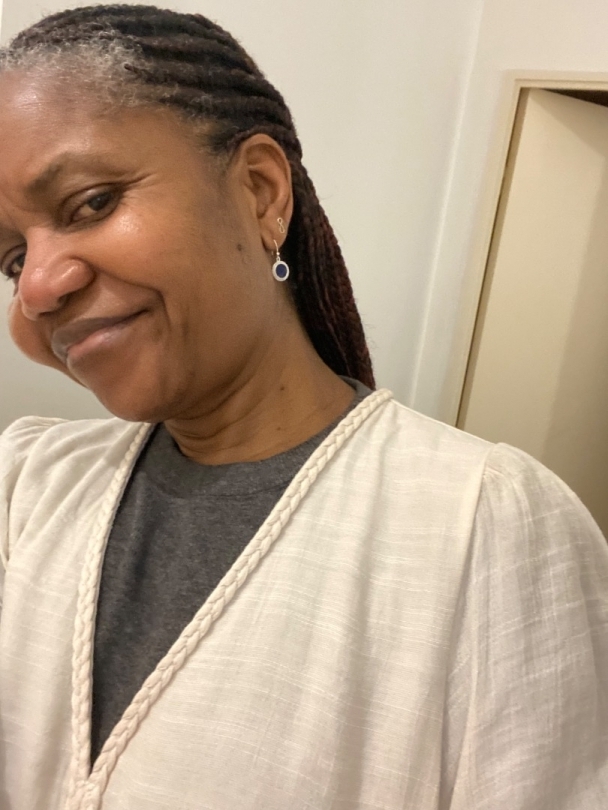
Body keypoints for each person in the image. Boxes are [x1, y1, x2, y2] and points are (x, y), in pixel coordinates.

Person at [0, 5, 606, 809]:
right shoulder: (27, 486)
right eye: (12, 259)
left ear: (260, 192)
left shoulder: (483, 523)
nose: (39, 290)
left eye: (91, 202)